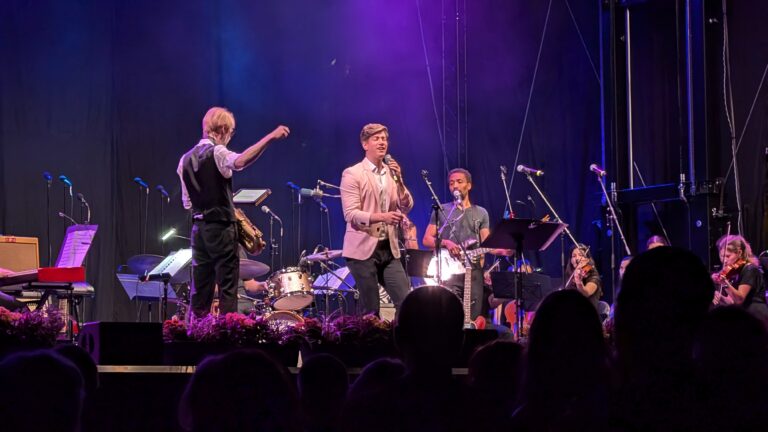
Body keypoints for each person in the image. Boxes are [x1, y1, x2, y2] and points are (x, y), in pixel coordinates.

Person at [178, 107, 289, 318]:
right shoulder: (218, 152)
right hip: (221, 228)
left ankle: (195, 332)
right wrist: (270, 137)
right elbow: (240, 162)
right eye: (231, 132)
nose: (230, 137)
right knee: (228, 288)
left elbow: (187, 203)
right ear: (222, 130)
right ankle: (227, 332)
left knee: (200, 290)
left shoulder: (184, 159)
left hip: (199, 231)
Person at [340, 123, 414, 316]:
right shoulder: (353, 173)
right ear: (365, 144)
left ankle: (400, 335)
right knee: (371, 310)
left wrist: (400, 180)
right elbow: (351, 214)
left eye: (384, 139)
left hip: (388, 248)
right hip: (362, 250)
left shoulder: (391, 172)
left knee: (407, 302)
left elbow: (407, 205)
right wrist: (383, 217)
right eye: (376, 139)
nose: (382, 143)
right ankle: (370, 336)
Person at [422, 168, 509, 320]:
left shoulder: (481, 212)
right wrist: (447, 243)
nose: (455, 185)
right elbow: (427, 240)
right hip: (449, 272)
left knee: (473, 315)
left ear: (469, 185)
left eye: (459, 182)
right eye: (451, 183)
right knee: (449, 313)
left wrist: (503, 250)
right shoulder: (442, 210)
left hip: (473, 271)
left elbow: (487, 243)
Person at [711, 234, 768, 324]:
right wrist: (719, 297)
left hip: (756, 315)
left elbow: (739, 300)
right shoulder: (734, 272)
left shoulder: (750, 269)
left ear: (739, 253)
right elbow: (731, 302)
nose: (724, 260)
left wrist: (725, 284)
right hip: (744, 315)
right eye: (722, 256)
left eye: (728, 256)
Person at [563, 244, 602, 310]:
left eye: (581, 255)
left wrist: (579, 282)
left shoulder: (593, 275)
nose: (577, 258)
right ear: (571, 261)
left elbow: (586, 293)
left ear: (587, 259)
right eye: (574, 256)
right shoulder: (570, 275)